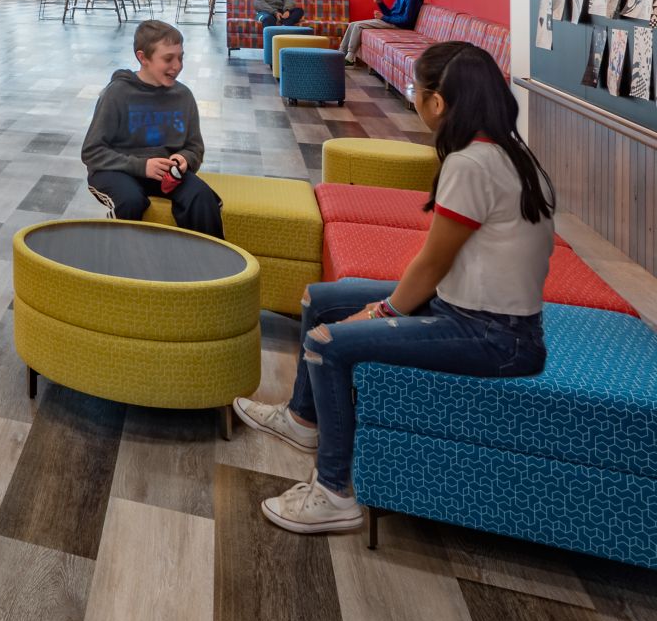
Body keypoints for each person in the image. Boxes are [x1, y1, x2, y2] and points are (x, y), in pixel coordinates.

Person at [234, 42, 555, 535]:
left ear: (438, 103)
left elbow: (430, 263)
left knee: (328, 343)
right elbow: (441, 265)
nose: (413, 98)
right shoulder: (511, 151)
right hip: (469, 307)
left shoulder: (471, 165)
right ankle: (302, 420)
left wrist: (383, 311)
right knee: (321, 298)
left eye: (415, 90)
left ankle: (334, 493)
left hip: (493, 334)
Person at [82, 19, 224, 238]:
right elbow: (92, 152)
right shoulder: (117, 94)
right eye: (168, 59)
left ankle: (208, 266)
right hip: (117, 170)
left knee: (202, 197)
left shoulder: (184, 96)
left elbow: (195, 147)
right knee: (131, 200)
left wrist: (185, 159)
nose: (177, 66)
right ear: (143, 58)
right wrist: (141, 166)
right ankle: (125, 264)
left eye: (180, 57)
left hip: (165, 173)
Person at [339, 0, 424, 63]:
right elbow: (391, 13)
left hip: (400, 26)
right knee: (352, 24)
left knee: (358, 26)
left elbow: (406, 21)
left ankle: (349, 57)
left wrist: (383, 17)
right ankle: (340, 53)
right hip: (393, 21)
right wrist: (380, 3)